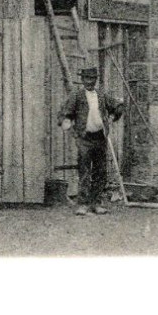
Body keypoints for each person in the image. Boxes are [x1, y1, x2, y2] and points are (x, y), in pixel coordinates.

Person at [59, 65, 125, 216]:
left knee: (100, 172)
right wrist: (66, 121)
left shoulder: (101, 95)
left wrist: (114, 115)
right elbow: (65, 112)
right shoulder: (77, 95)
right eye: (87, 79)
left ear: (96, 80)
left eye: (92, 79)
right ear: (82, 80)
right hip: (84, 138)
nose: (89, 82)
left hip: (100, 138)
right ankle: (83, 204)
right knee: (84, 171)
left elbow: (118, 106)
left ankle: (96, 203)